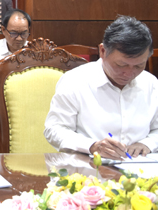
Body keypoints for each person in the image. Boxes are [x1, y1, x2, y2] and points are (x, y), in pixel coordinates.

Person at [44, 16, 157, 159]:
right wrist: (92, 146)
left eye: (139, 66)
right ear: (102, 51)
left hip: (141, 172)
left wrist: (148, 143)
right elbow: (54, 130)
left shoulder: (151, 84)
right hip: (88, 171)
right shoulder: (75, 81)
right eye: (121, 65)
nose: (129, 73)